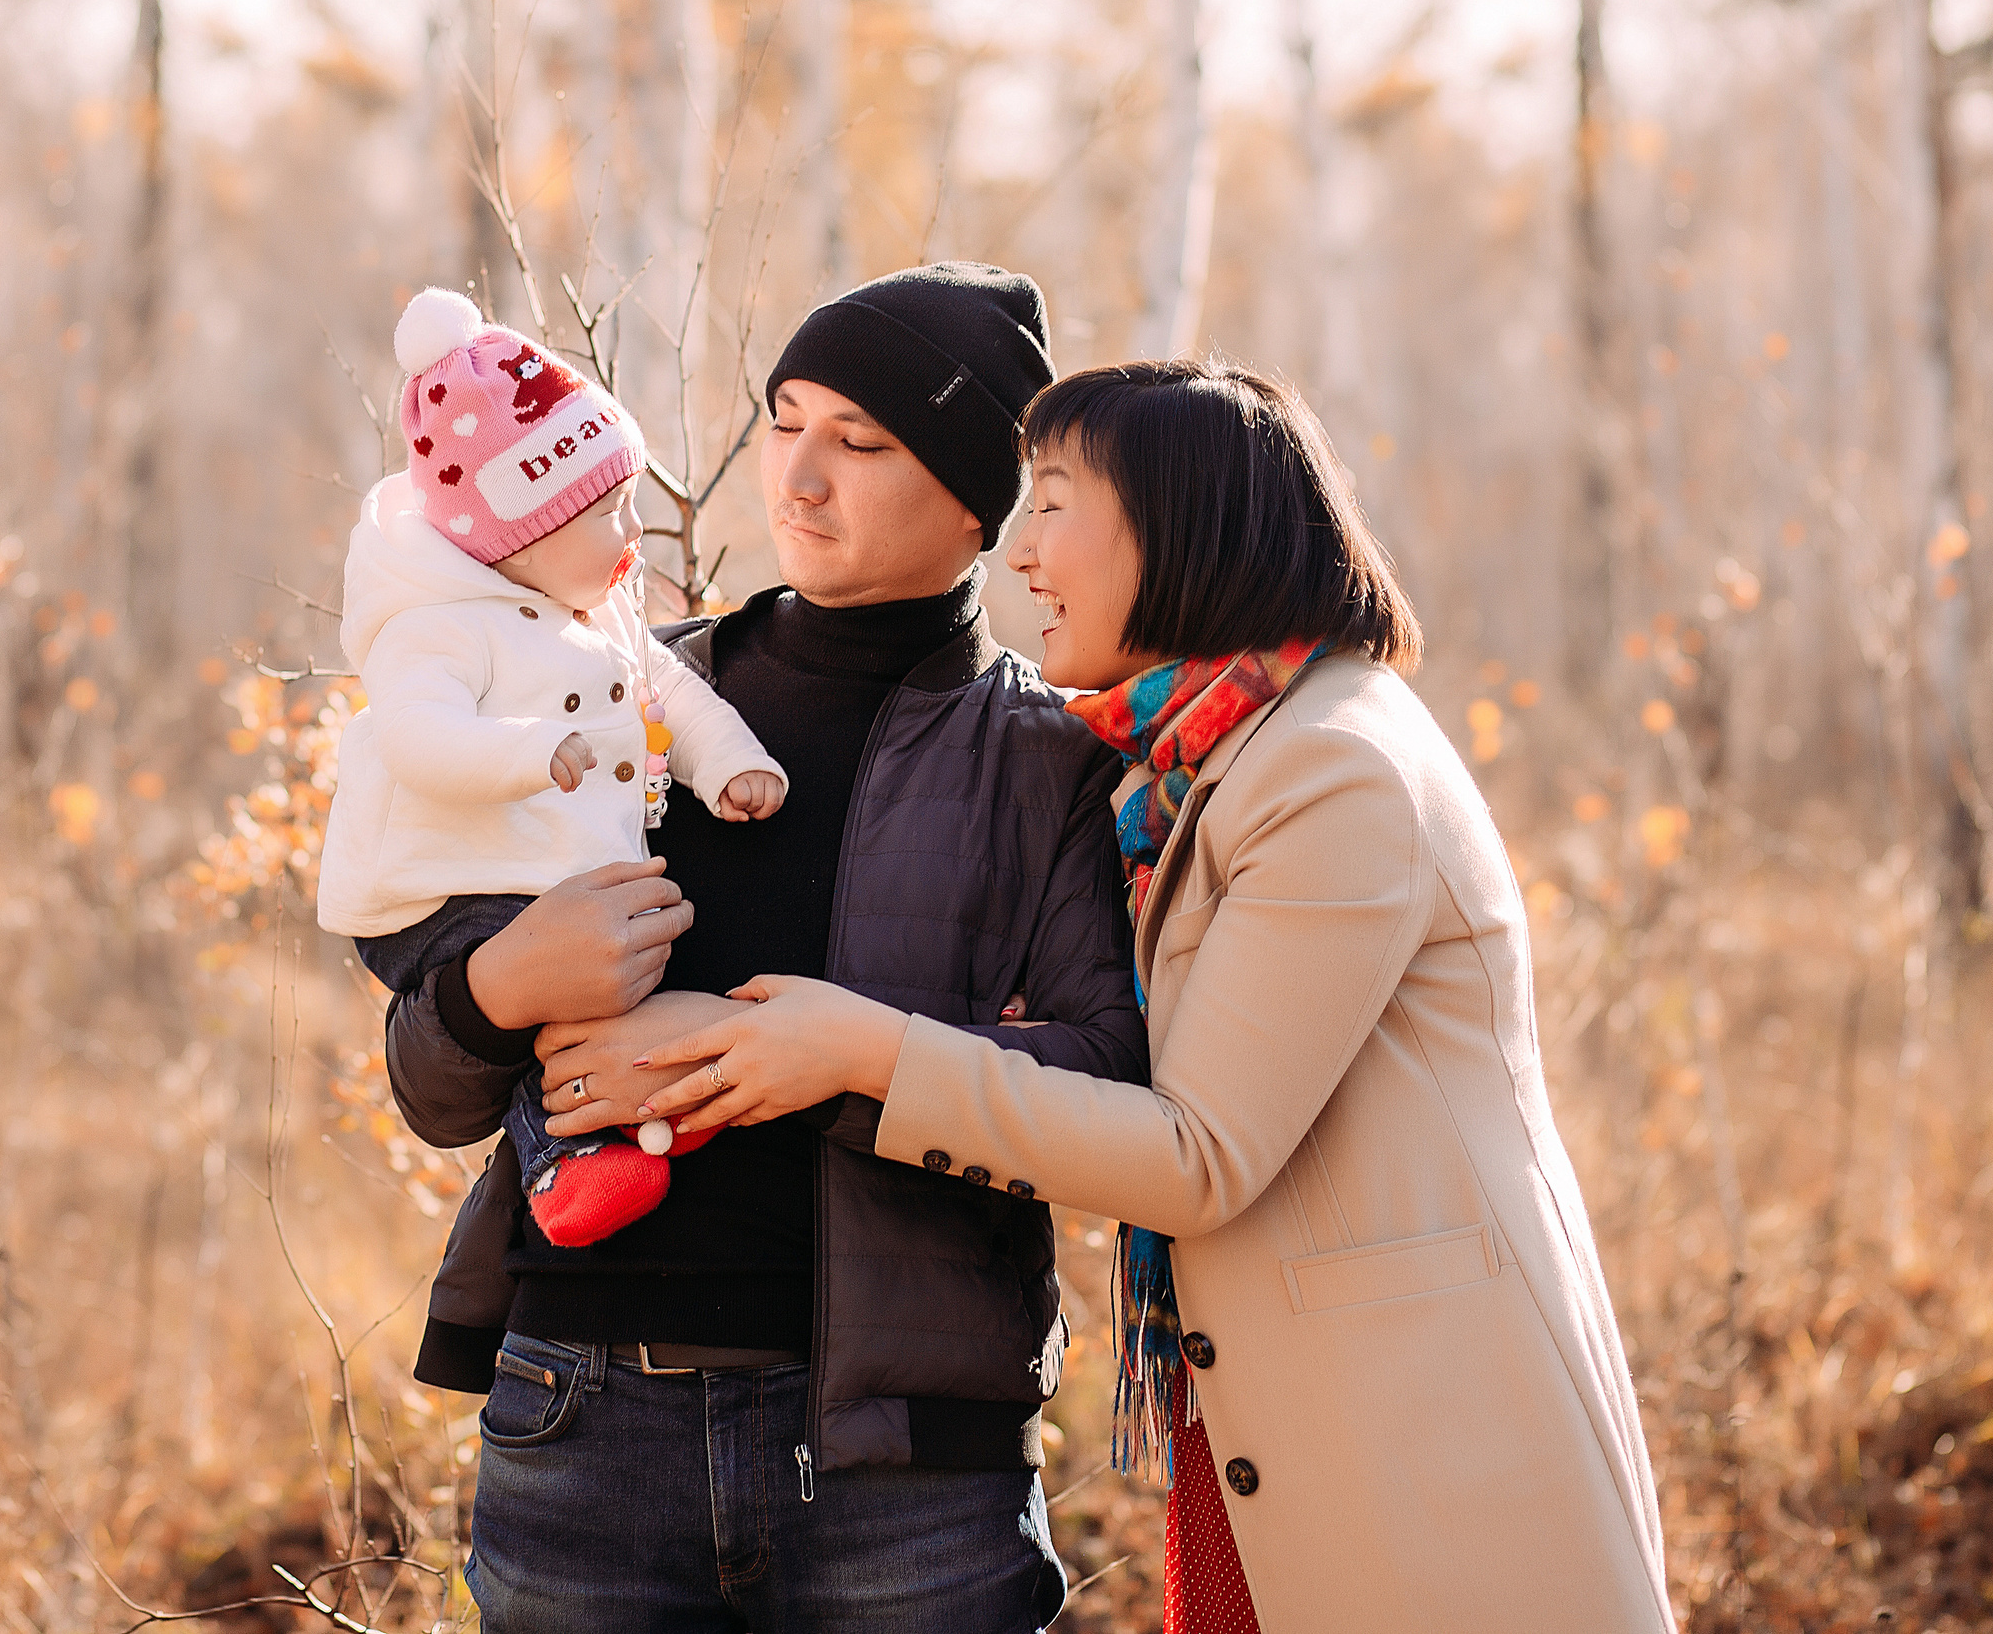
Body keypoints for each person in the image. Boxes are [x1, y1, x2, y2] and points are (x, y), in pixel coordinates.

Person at [566, 360, 1680, 1633]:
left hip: (1422, 1447)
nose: (1021, 551)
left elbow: (1197, 1153)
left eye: (1051, 504)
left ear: (1179, 522)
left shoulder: (1329, 774)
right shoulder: (1213, 761)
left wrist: (861, 1050)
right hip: (1316, 1418)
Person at [374, 263, 1149, 1632]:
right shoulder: (619, 694)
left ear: (976, 504)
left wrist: (790, 1059)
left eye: (860, 442)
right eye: (785, 421)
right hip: (580, 1422)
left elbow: (1107, 1079)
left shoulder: (1047, 760)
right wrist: (500, 985)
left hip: (906, 1471)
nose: (796, 475)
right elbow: (432, 1085)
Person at [319, 288, 787, 1249]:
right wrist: (529, 750)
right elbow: (417, 738)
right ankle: (561, 1157)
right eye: (609, 513)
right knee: (576, 984)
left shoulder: (592, 609)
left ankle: (633, 1118)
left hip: (528, 872)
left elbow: (666, 687)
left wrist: (727, 761)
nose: (634, 534)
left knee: (617, 960)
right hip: (439, 889)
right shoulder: (434, 627)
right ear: (522, 532)